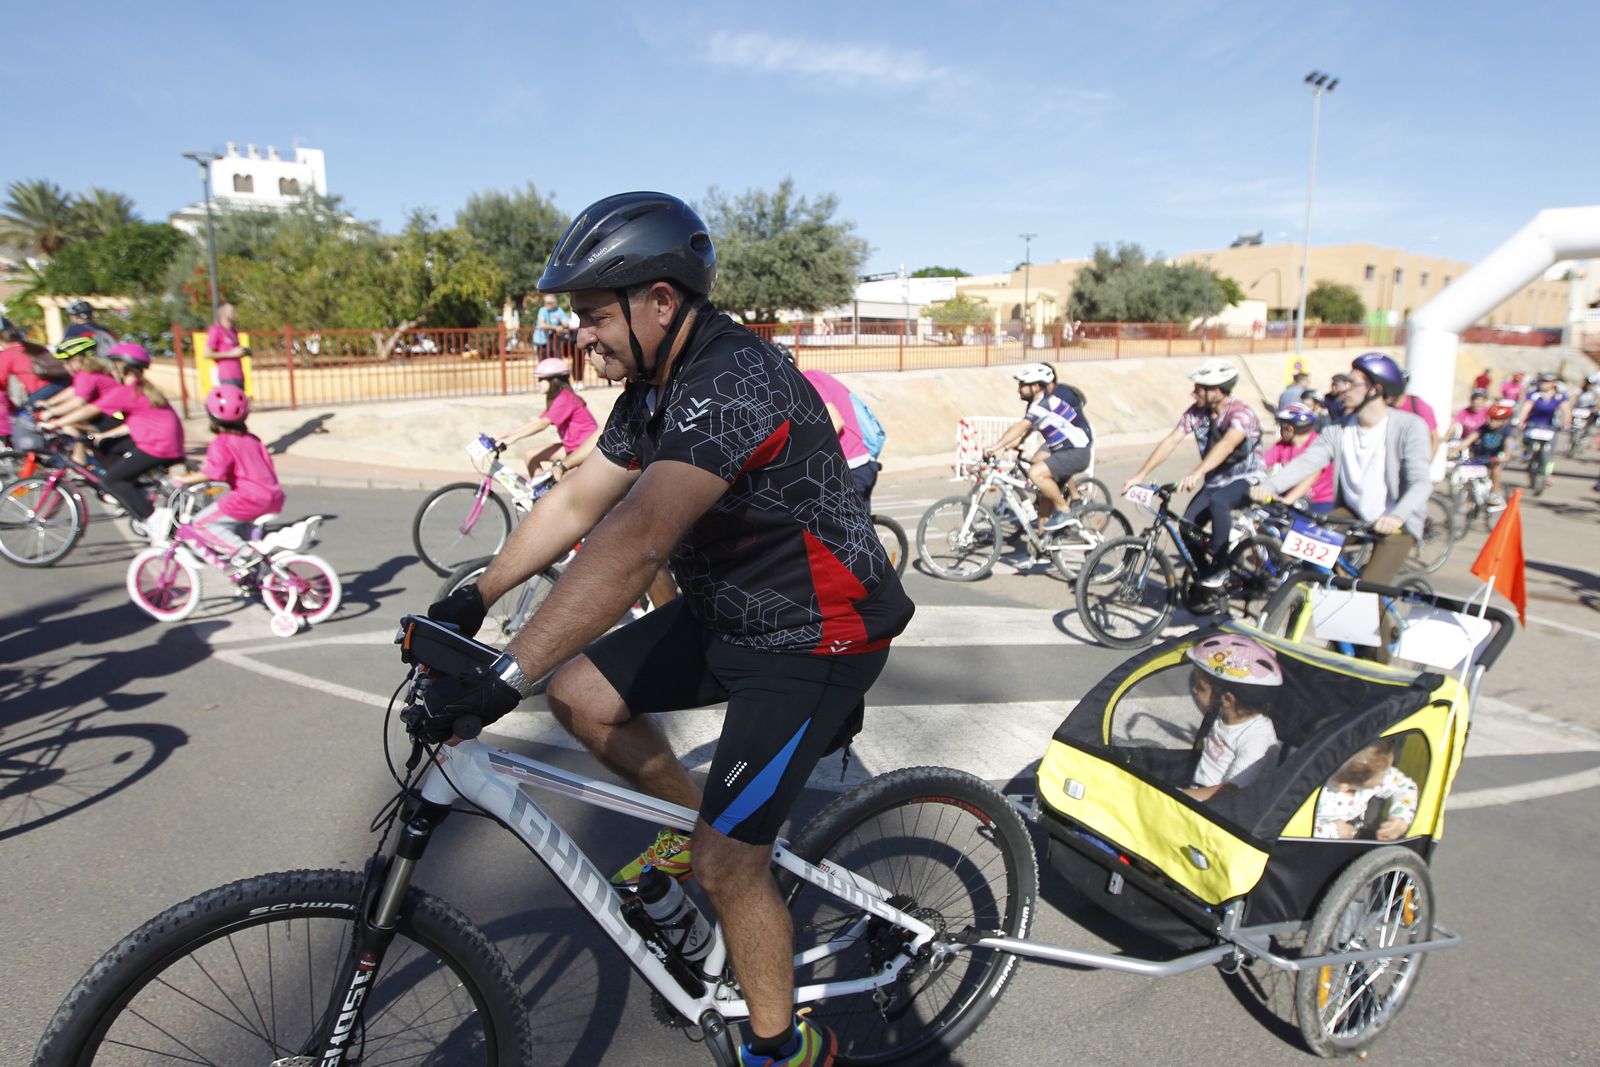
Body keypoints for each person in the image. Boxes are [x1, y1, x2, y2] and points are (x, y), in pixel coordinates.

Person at [422, 191, 913, 1067]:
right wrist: (476, 592)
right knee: (582, 695)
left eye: (595, 316)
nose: (586, 339)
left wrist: (507, 670)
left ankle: (784, 1045)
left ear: (661, 301)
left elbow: (639, 534)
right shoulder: (653, 389)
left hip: (818, 635)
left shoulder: (731, 380)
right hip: (733, 610)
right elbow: (578, 496)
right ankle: (708, 836)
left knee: (731, 867)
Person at [1250, 352, 1432, 587]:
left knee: (1369, 592)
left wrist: (1397, 516)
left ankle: (1386, 622)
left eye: (1352, 383)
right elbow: (1308, 461)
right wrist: (1270, 485)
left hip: (1397, 521)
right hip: (1353, 514)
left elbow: (1421, 482)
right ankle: (1327, 593)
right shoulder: (1339, 429)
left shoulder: (1409, 426)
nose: (1343, 388)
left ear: (1375, 390)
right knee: (1304, 546)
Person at [1124, 358, 1263, 602]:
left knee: (1220, 502)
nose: (1194, 392)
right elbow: (1171, 440)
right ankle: (1207, 579)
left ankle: (1220, 571)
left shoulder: (1242, 414)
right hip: (1215, 480)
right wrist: (1140, 475)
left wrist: (1197, 473)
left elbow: (1228, 445)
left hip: (1248, 478)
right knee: (1187, 529)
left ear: (1217, 391)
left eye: (1199, 388)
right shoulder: (1196, 413)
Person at [38, 343, 184, 522]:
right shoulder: (143, 388)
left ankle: (154, 519)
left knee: (111, 481)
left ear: (122, 369)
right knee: (108, 447)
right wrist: (105, 435)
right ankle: (135, 490)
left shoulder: (125, 392)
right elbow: (136, 424)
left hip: (158, 447)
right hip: (163, 443)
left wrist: (56, 422)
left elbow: (89, 410)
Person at [170, 386, 285, 564]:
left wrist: (185, 479)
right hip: (273, 495)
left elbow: (214, 471)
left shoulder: (221, 442)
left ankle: (243, 553)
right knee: (239, 529)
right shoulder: (252, 439)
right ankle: (255, 568)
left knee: (201, 523)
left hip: (248, 498)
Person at [984, 363, 1092, 533]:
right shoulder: (1038, 404)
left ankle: (1065, 510)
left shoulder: (1044, 404)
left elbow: (1020, 427)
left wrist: (995, 446)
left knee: (1036, 472)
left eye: (1022, 385)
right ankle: (1043, 543)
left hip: (1075, 451)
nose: (1018, 389)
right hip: (1064, 449)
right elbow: (1026, 429)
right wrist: (1008, 445)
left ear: (1035, 387)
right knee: (1043, 497)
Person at [1181, 633, 1282, 802]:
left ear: (1227, 699)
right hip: (1198, 790)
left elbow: (1232, 790)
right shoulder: (1224, 715)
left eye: (1200, 686)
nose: (1195, 690)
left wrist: (1178, 797)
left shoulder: (1257, 738)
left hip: (1216, 807)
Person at [496, 357, 599, 478]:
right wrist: (505, 436)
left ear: (553, 380)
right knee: (530, 456)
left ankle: (550, 494)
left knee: (561, 484)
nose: (538, 383)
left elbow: (542, 424)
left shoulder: (565, 398)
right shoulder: (559, 398)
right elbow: (537, 422)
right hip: (571, 447)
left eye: (540, 379)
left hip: (583, 450)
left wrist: (512, 439)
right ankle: (542, 493)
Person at [796, 360, 880, 508]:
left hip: (850, 468)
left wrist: (806, 452)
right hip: (862, 464)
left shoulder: (809, 379)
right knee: (860, 528)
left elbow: (836, 421)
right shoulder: (819, 375)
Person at [37, 337, 122, 466]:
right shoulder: (90, 372)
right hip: (108, 416)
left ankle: (80, 464)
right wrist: (49, 403)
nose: (65, 366)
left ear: (77, 360)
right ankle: (92, 465)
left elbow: (78, 401)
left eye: (66, 362)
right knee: (73, 426)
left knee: (68, 426)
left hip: (113, 418)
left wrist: (50, 412)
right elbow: (74, 390)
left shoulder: (86, 375)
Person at [1313, 739, 1418, 841]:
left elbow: (1405, 786)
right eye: (1381, 778)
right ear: (1343, 785)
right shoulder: (1323, 796)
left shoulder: (1376, 771)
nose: (1385, 780)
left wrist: (1400, 819)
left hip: (1356, 831)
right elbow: (1299, 823)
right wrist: (1332, 830)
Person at [1261, 403, 1334, 513]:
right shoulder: (1283, 445)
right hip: (1289, 495)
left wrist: (1287, 500)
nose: (1279, 429)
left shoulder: (1318, 445)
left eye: (1281, 425)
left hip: (1319, 501)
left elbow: (1313, 475)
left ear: (1289, 428)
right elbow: (1262, 462)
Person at [1450, 400, 1515, 503]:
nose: (1492, 422)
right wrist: (1455, 450)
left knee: (1496, 468)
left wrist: (1506, 456)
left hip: (1495, 458)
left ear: (1503, 421)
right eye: (1491, 419)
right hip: (1479, 457)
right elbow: (1469, 440)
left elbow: (1508, 445)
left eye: (1496, 420)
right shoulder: (1483, 429)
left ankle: (1495, 492)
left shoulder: (1506, 431)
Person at [0, 326, 71, 404]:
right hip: (63, 382)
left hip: (41, 391)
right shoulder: (35, 346)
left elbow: (1, 379)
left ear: (2, 341)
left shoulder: (8, 354)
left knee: (34, 412)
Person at [1515, 372, 1571, 454]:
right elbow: (1526, 408)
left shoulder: (1559, 396)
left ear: (1553, 383)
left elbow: (1566, 410)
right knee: (1527, 441)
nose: (1544, 384)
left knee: (1550, 447)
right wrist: (1521, 421)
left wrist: (1567, 422)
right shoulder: (1534, 395)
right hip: (1533, 423)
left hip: (1550, 425)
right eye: (1542, 381)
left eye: (1547, 382)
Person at [205, 302, 250, 389]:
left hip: (239, 376)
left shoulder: (233, 331)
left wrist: (245, 351)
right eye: (232, 311)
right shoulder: (216, 330)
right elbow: (207, 354)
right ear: (222, 314)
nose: (235, 313)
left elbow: (236, 352)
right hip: (227, 377)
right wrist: (231, 354)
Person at [531, 293, 569, 359]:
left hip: (553, 340)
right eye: (545, 303)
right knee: (543, 361)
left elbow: (566, 323)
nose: (546, 305)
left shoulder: (559, 310)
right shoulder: (542, 310)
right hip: (542, 340)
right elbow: (542, 325)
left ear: (554, 303)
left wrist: (561, 327)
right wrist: (556, 327)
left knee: (556, 359)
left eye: (549, 303)